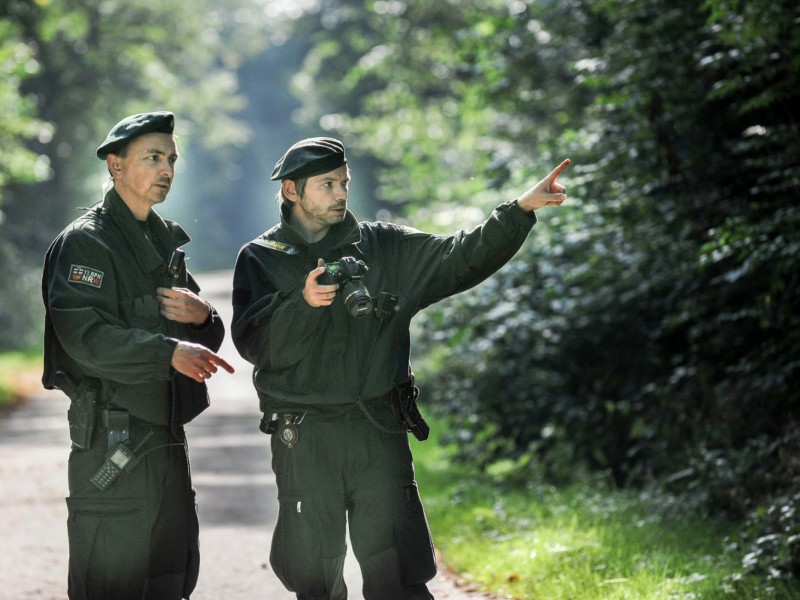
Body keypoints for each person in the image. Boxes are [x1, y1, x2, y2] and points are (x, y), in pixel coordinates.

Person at [231, 136, 568, 600]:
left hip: (378, 431)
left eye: (343, 183)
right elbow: (256, 346)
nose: (341, 194)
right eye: (327, 185)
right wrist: (303, 304)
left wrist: (519, 210)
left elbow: (459, 256)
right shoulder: (261, 258)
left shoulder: (383, 247)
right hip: (305, 438)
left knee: (399, 575)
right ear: (292, 191)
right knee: (315, 578)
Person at [41, 111, 235, 600]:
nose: (166, 168)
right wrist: (167, 351)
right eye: (153, 157)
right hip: (113, 442)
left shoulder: (163, 241)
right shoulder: (87, 242)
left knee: (170, 578)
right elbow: (84, 336)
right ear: (115, 165)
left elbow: (201, 340)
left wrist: (203, 315)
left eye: (171, 158)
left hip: (167, 440)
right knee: (111, 581)